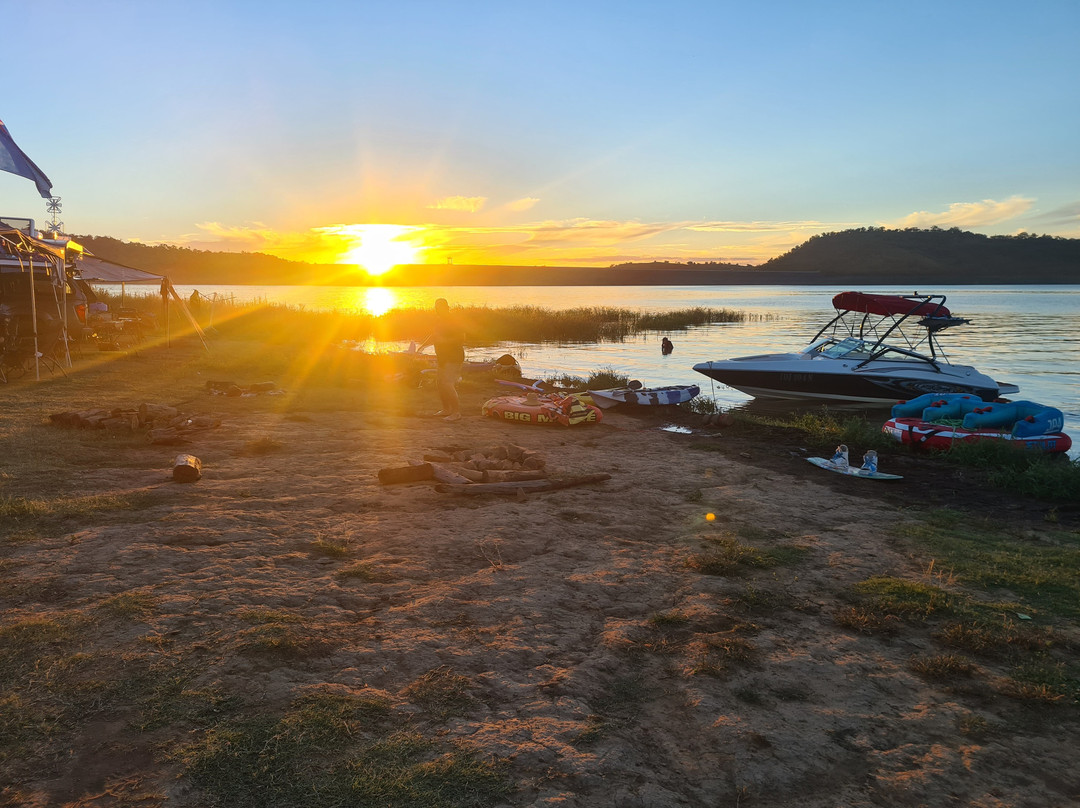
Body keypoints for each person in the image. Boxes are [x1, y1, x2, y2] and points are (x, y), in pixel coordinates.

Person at [418, 298, 464, 421]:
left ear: (446, 307)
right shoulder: (439, 321)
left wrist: (445, 341)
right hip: (443, 357)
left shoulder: (453, 320)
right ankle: (446, 409)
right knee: (440, 383)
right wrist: (423, 346)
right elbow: (434, 336)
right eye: (436, 307)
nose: (437, 310)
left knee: (447, 383)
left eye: (440, 307)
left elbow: (461, 337)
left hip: (454, 356)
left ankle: (456, 413)